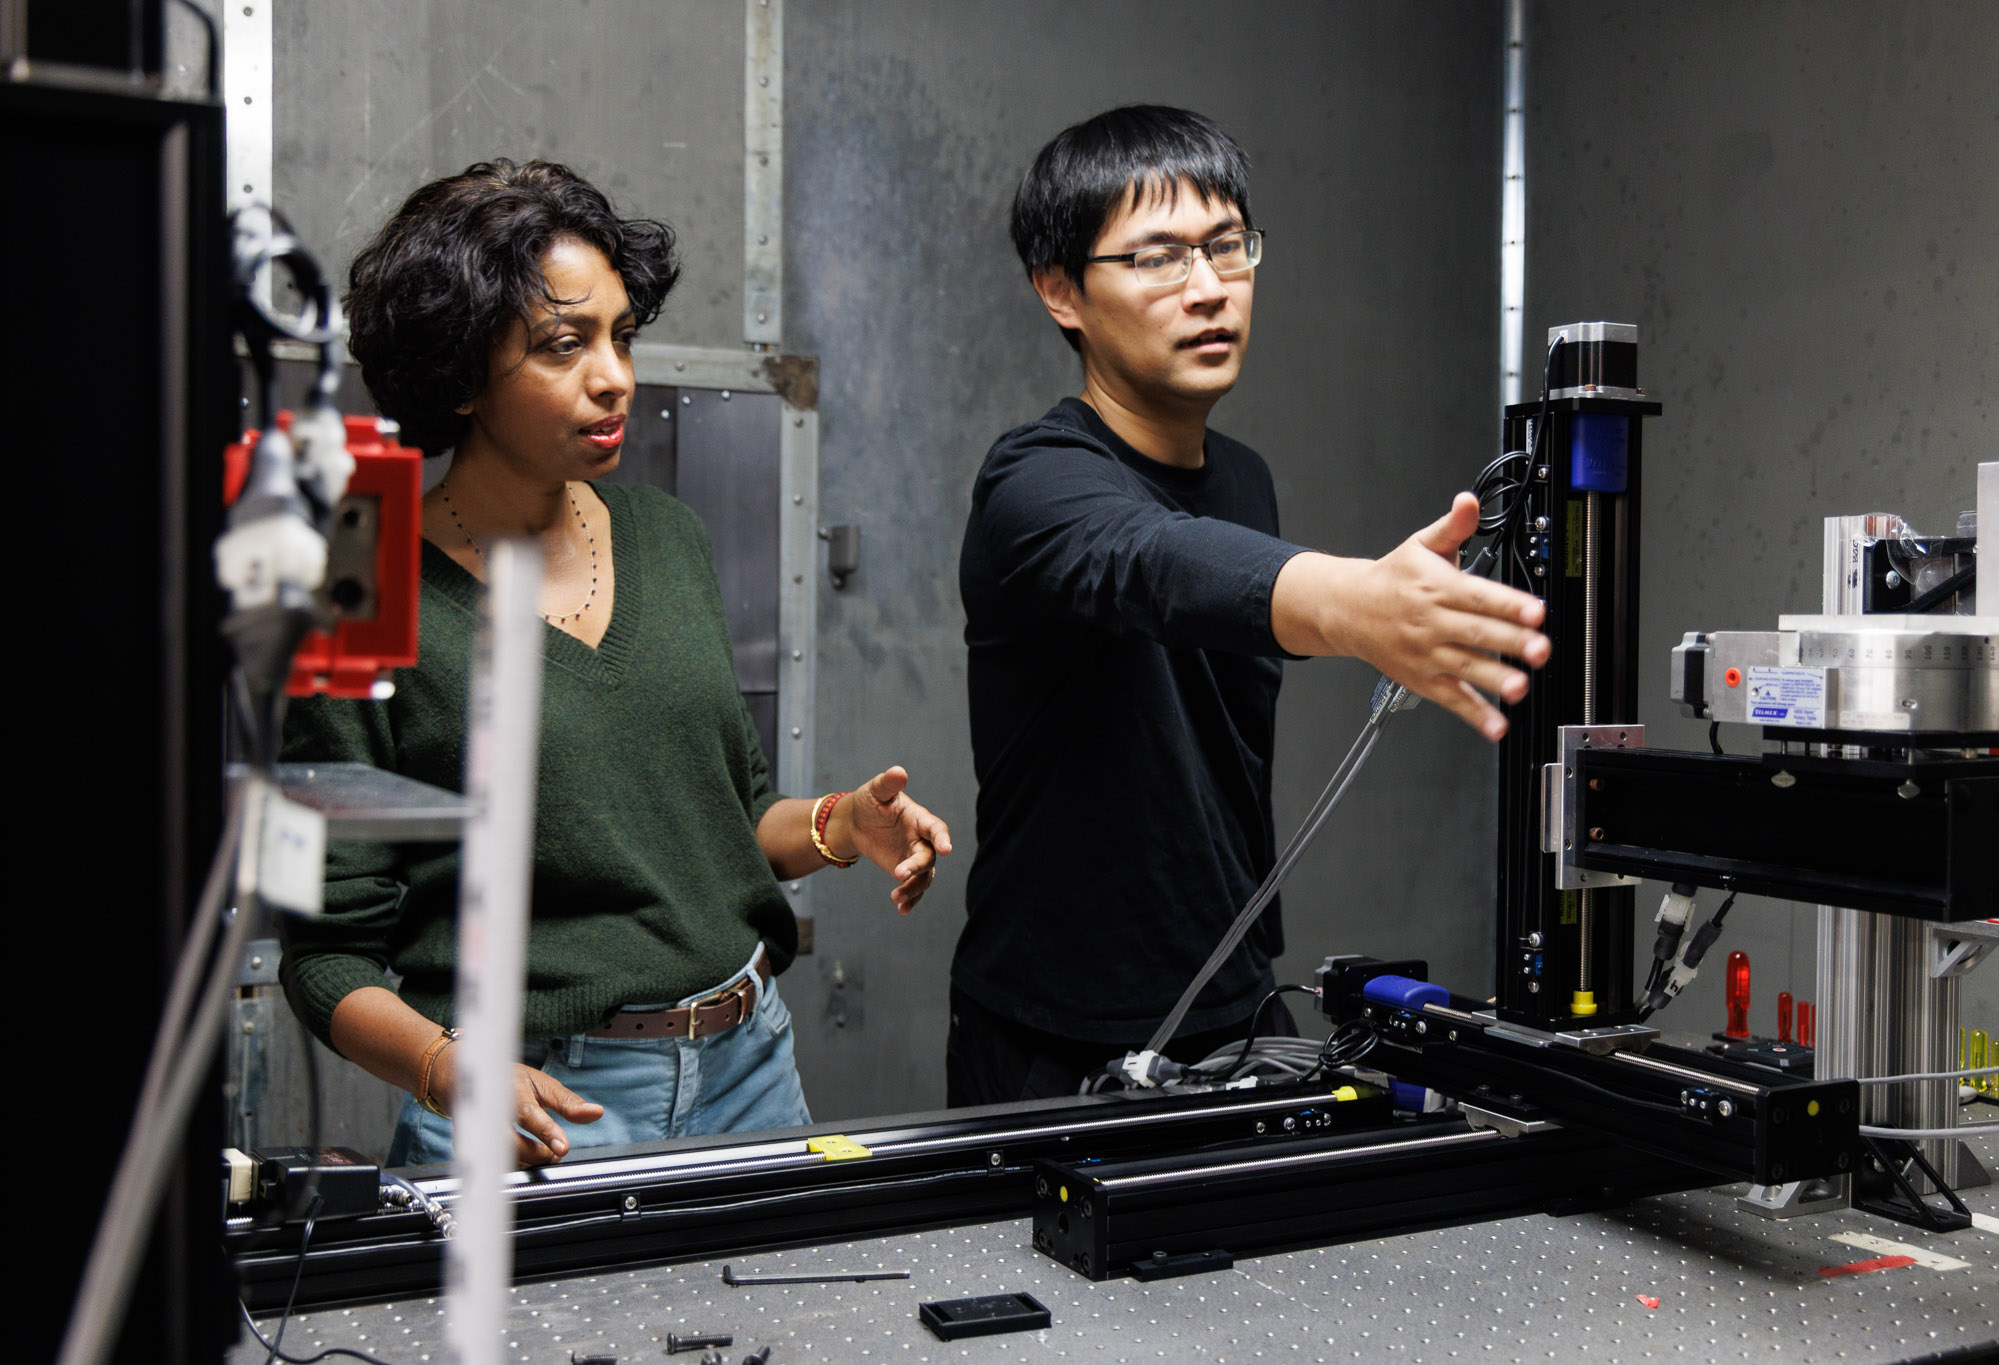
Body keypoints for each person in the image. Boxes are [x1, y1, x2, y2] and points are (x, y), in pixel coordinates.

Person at [279, 160, 951, 1167]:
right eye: (565, 345)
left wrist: (842, 822)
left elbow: (727, 822)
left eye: (621, 336)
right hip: (540, 1107)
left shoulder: (665, 536)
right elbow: (326, 953)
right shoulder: (359, 579)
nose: (616, 377)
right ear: (459, 373)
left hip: (751, 1070)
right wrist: (443, 1067)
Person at [948, 107, 1551, 1105]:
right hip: (1052, 1030)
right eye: (1156, 258)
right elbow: (1148, 561)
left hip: (1234, 1003)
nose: (1207, 287)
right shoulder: (1032, 481)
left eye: (1226, 246)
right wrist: (1355, 601)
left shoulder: (1244, 478)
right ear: (1061, 291)